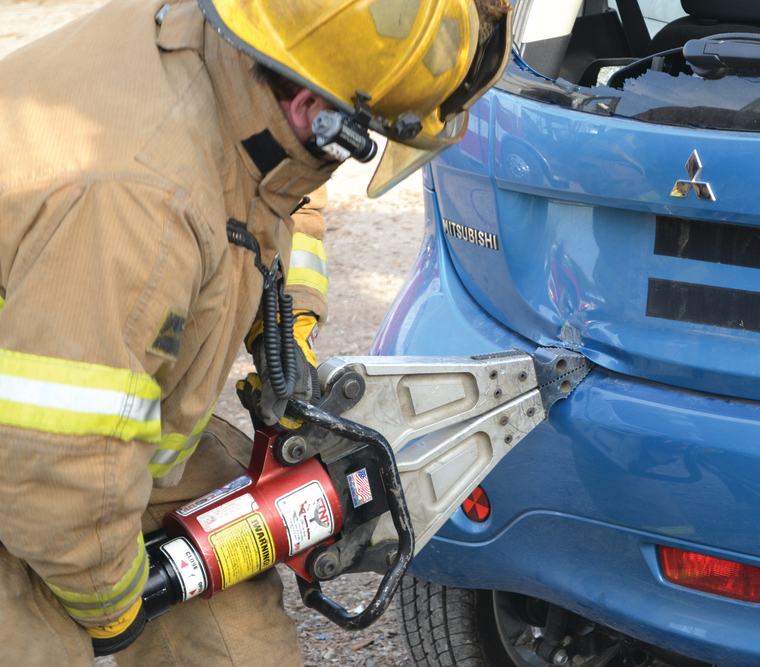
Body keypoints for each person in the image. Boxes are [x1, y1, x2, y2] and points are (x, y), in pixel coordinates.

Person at [0, 0, 510, 664]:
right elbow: (57, 470)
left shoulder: (252, 46)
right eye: (367, 134)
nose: (360, 153)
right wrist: (118, 604)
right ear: (309, 107)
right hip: (36, 464)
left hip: (93, 431)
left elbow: (277, 189)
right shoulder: (140, 202)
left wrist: (286, 325)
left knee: (239, 646)